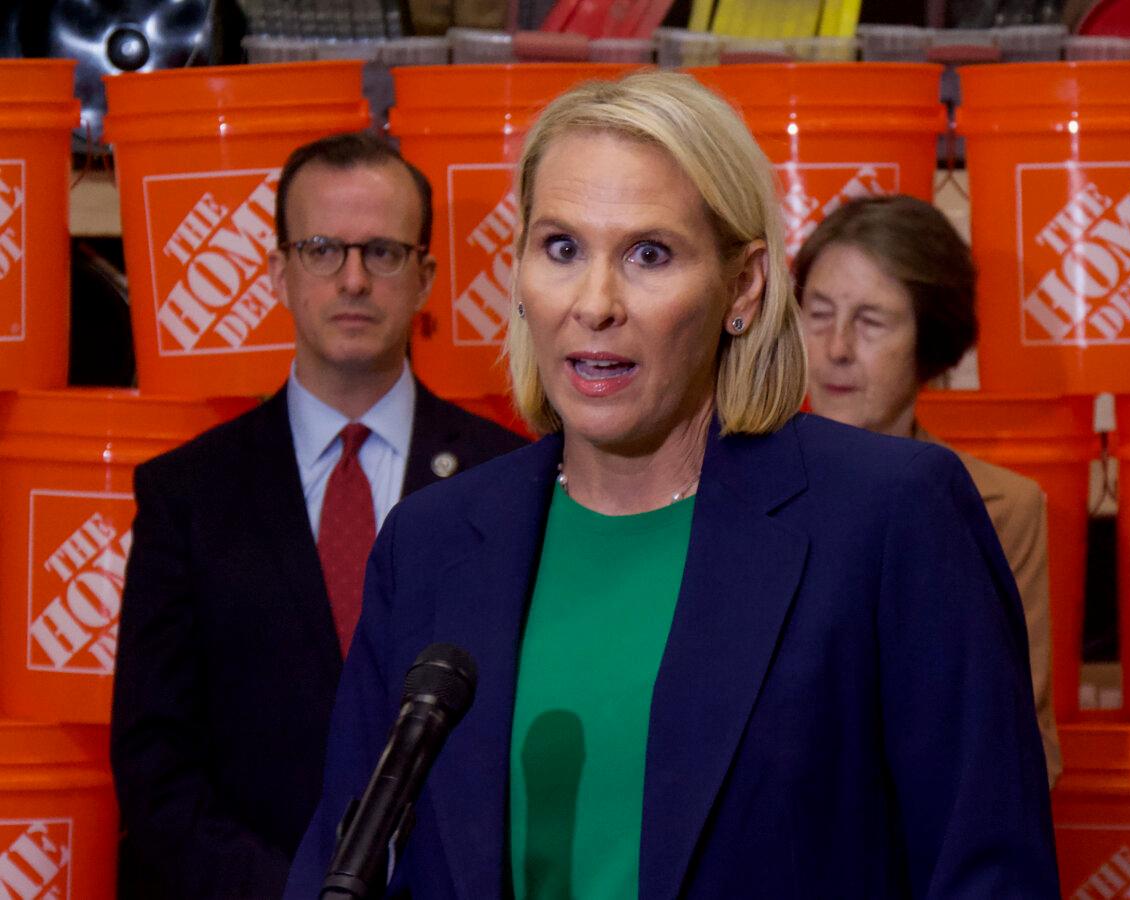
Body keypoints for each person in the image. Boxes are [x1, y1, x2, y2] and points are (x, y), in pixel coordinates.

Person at [285, 73, 1059, 897]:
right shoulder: (430, 543)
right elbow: (347, 859)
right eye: (561, 248)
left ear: (744, 285)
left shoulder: (891, 517)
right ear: (516, 274)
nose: (595, 302)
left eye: (649, 254)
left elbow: (986, 870)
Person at [109, 131, 526, 899]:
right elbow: (155, 768)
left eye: (384, 252)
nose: (355, 280)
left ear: (427, 276)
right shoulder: (187, 494)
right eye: (323, 249)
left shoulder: (511, 480)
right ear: (278, 271)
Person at [792, 194, 1062, 787]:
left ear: (930, 343)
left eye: (871, 321)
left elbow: (1024, 745)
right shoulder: (736, 487)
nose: (836, 348)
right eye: (818, 312)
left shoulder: (998, 506)